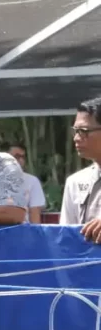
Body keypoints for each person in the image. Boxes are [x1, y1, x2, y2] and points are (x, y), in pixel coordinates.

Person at [61, 97, 101, 243]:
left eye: (83, 131)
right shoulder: (75, 182)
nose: (76, 138)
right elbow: (65, 237)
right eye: (75, 131)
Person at [6, 142, 46, 224]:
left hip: (23, 231)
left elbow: (35, 215)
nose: (20, 160)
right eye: (16, 157)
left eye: (23, 157)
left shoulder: (32, 181)